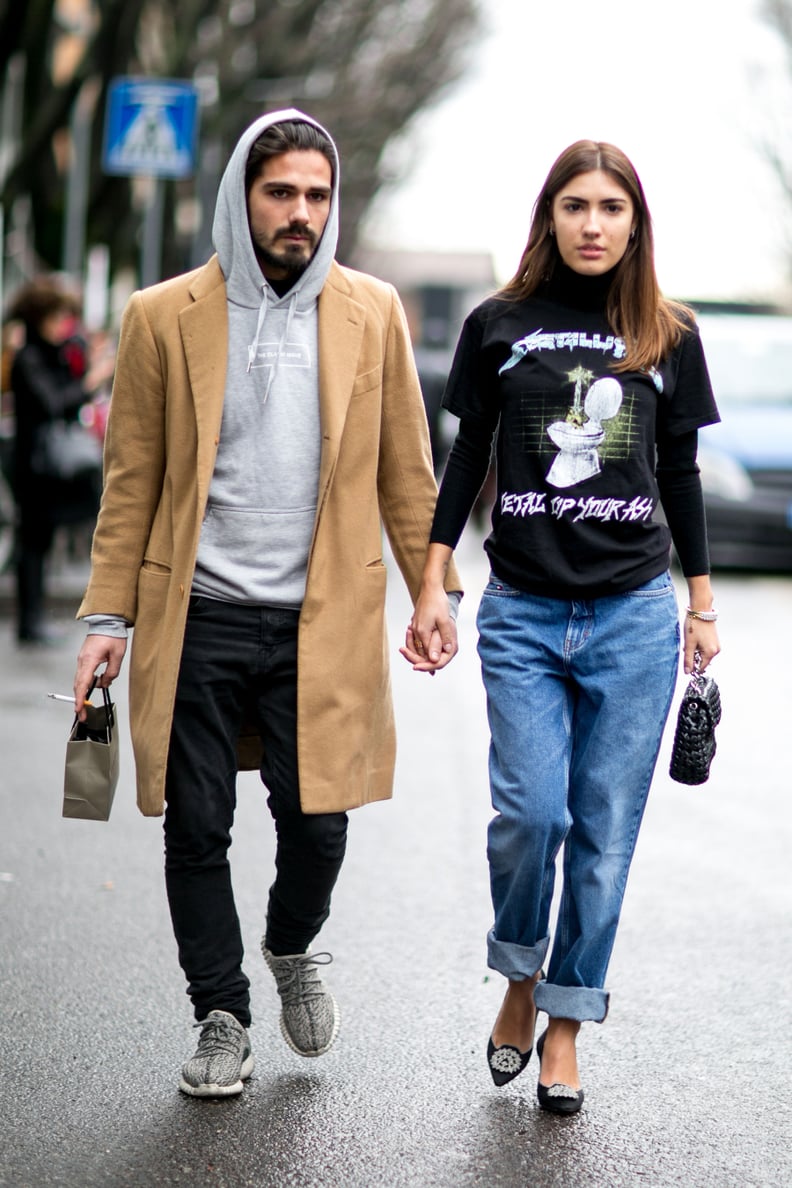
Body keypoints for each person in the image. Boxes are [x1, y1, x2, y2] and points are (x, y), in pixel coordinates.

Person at [72, 109, 461, 1098]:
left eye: (316, 196)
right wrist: (107, 620)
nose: (299, 213)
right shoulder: (164, 314)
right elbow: (133, 482)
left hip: (319, 621)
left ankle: (291, 946)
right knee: (195, 826)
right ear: (241, 194)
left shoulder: (373, 311)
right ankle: (221, 1014)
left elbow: (408, 473)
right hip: (195, 612)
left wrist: (432, 588)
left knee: (320, 824)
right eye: (280, 191)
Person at [402, 140, 720, 1115]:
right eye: (576, 206)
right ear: (550, 216)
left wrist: (701, 605)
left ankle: (567, 1025)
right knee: (531, 816)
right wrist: (432, 576)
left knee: (603, 832)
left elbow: (681, 476)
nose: (593, 224)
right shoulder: (499, 324)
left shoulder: (668, 335)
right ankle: (518, 984)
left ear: (636, 224)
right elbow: (467, 457)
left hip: (632, 616)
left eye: (611, 208)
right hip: (525, 612)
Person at [7, 277, 113, 645]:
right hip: (34, 463)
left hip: (48, 465)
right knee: (32, 542)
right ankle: (29, 620)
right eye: (56, 316)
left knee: (40, 540)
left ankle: (34, 619)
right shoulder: (29, 357)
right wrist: (90, 381)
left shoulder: (54, 352)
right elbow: (54, 402)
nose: (62, 325)